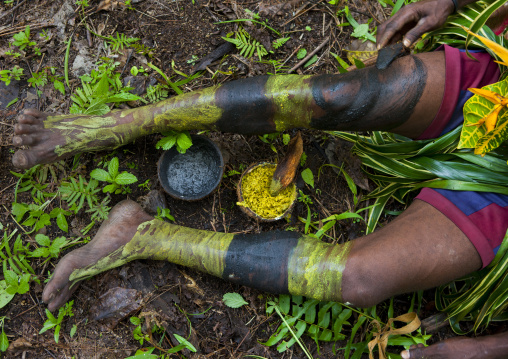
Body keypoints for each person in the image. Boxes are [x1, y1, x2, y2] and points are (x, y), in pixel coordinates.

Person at [11, 0, 508, 357]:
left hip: (498, 196)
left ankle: (146, 234)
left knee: (360, 279)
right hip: (496, 89)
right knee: (334, 96)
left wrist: (486, 350)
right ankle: (111, 128)